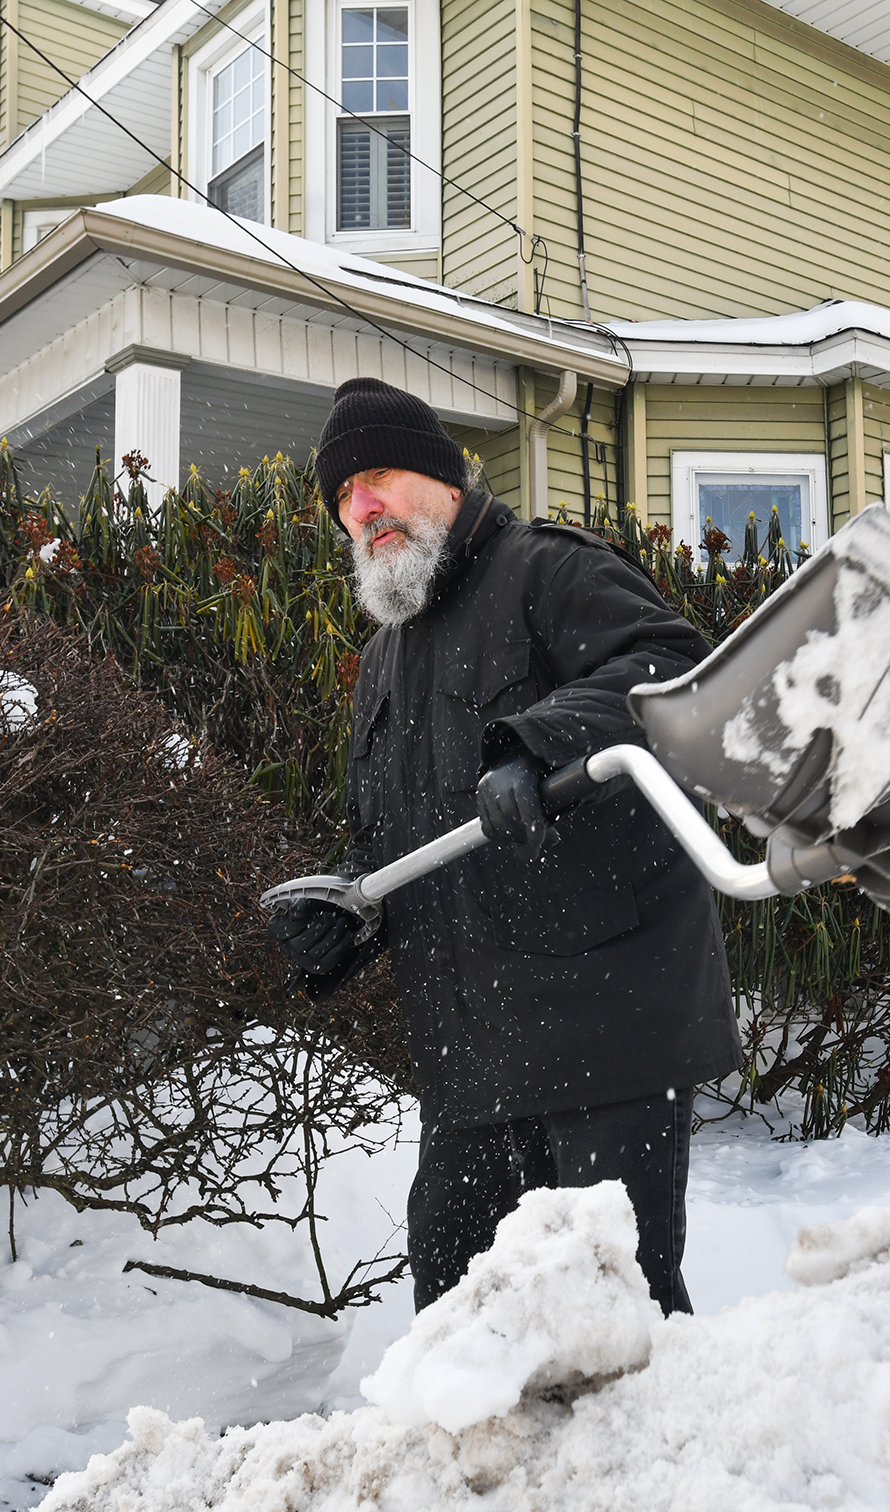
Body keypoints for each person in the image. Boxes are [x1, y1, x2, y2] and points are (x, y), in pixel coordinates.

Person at [268, 377, 737, 1317]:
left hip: (603, 1031)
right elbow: (401, 843)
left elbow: (670, 665)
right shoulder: (384, 662)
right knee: (455, 1310)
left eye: (380, 477)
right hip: (472, 1063)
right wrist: (350, 914)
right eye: (343, 499)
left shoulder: (544, 569)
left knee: (615, 1315)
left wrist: (540, 743)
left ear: (442, 478)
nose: (363, 509)